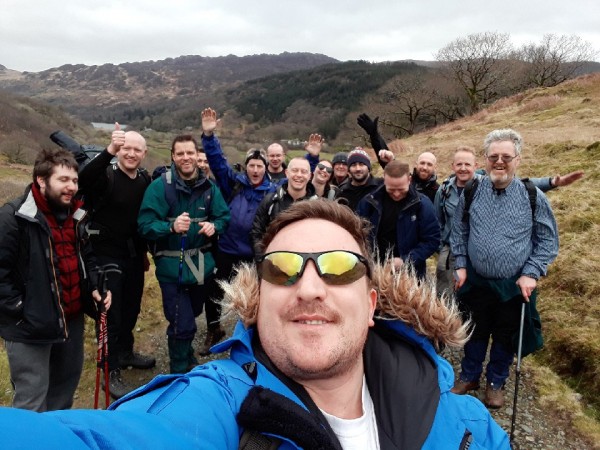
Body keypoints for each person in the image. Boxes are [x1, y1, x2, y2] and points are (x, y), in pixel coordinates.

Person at [0, 200, 510, 449]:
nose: (309, 287)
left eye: (336, 267)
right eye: (283, 269)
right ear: (257, 302)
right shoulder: (217, 405)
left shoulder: (471, 426)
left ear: (373, 302)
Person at [450, 129, 559, 408]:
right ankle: (470, 375)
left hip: (512, 286)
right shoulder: (472, 191)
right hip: (476, 281)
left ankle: (496, 381)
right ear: (485, 159)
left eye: (506, 157)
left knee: (505, 337)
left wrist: (531, 272)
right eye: (493, 156)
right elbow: (459, 230)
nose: (499, 162)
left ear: (518, 160)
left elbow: (548, 241)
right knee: (475, 330)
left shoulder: (533, 196)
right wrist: (461, 264)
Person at [0, 147, 111, 412]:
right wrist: (21, 310)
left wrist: (95, 285)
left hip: (70, 321)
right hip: (29, 327)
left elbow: (87, 257)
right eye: (63, 180)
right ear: (41, 180)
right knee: (31, 403)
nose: (71, 186)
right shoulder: (13, 218)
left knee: (63, 396)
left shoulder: (76, 216)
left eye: (74, 180)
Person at [434, 146, 584, 298]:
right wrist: (443, 248)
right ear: (452, 166)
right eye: (459, 164)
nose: (463, 168)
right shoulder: (445, 190)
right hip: (454, 250)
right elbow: (440, 221)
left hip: (503, 277)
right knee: (448, 289)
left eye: (467, 164)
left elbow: (520, 184)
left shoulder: (484, 183)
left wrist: (552, 182)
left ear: (477, 166)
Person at [137, 135, 230, 373]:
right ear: (173, 156)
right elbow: (144, 225)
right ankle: (178, 371)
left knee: (194, 313)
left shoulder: (210, 188)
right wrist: (170, 227)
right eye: (180, 154)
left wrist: (214, 226)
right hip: (171, 266)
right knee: (181, 323)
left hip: (200, 264)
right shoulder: (160, 187)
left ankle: (187, 355)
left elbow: (223, 217)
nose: (186, 158)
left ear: (197, 156)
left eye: (190, 153)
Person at [77, 123, 155, 399]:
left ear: (144, 154)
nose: (131, 153)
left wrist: (144, 254)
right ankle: (109, 371)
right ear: (119, 149)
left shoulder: (144, 180)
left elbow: (141, 221)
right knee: (111, 313)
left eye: (137, 149)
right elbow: (84, 179)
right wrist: (109, 150)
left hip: (132, 254)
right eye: (126, 148)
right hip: (103, 254)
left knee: (132, 308)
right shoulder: (105, 177)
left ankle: (125, 352)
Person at [200, 107, 278, 354]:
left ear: (266, 168)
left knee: (254, 296)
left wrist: (309, 160)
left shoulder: (273, 192)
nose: (255, 170)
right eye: (252, 165)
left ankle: (252, 335)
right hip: (226, 249)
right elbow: (218, 163)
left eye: (260, 166)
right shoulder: (233, 184)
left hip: (253, 253)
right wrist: (209, 137)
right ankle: (214, 329)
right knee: (213, 290)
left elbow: (302, 183)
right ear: (246, 167)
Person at [357, 160, 440, 279]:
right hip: (375, 270)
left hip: (411, 274)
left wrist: (406, 260)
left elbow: (432, 240)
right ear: (384, 180)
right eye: (391, 189)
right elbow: (357, 234)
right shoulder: (369, 202)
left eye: (401, 189)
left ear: (409, 180)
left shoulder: (423, 205)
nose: (396, 194)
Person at [250, 157, 316, 250]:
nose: (299, 175)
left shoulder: (316, 206)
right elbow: (257, 232)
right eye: (295, 170)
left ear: (310, 176)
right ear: (286, 173)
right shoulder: (271, 200)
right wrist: (261, 257)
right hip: (274, 259)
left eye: (304, 171)